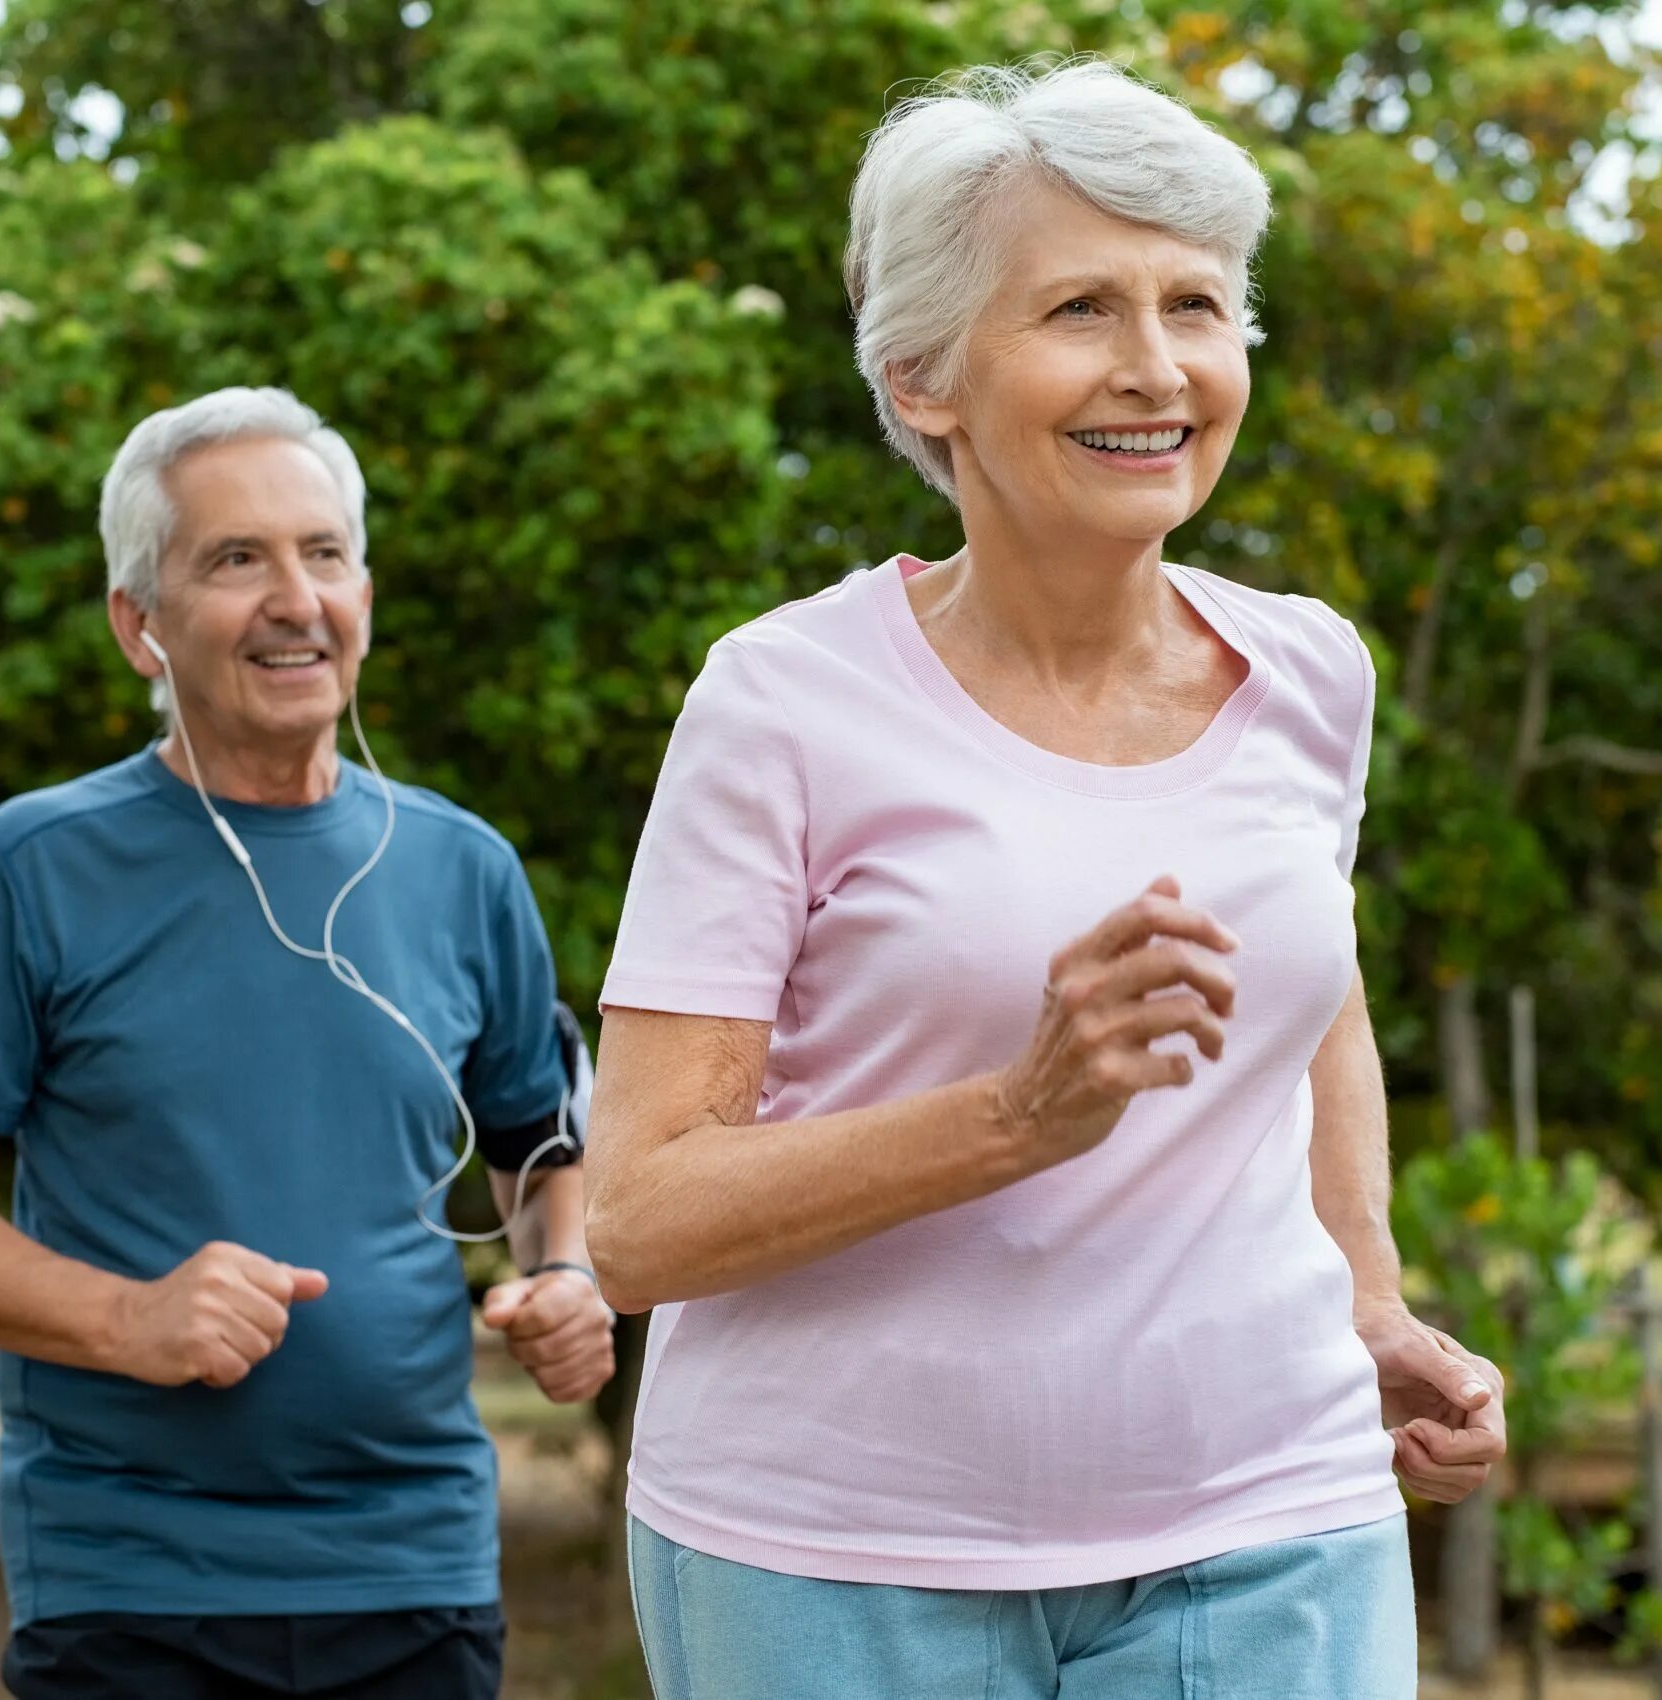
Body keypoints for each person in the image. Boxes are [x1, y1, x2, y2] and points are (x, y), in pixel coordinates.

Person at [585, 62, 1506, 1699]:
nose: (1157, 370)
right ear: (924, 376)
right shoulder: (779, 703)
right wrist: (1017, 1115)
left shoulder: (1311, 675)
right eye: (1081, 307)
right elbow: (639, 1221)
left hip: (1273, 1519)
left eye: (1198, 306)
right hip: (831, 1557)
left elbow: (1313, 1008)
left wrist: (1367, 1294)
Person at [0, 386, 615, 1700]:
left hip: (418, 1574)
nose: (295, 598)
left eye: (325, 553)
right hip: (134, 1587)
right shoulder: (37, 864)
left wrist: (568, 1277)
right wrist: (131, 1319)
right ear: (142, 626)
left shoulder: (464, 865)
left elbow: (539, 1136)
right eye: (235, 560)